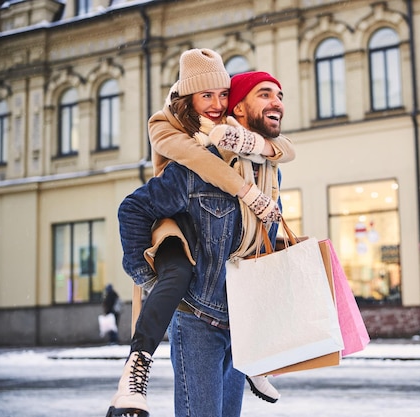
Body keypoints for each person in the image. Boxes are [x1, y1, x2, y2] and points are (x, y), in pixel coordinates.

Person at [107, 50, 293, 417]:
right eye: (206, 95)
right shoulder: (186, 155)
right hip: (199, 322)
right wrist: (147, 277)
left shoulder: (270, 172)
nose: (216, 103)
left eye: (221, 95)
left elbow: (283, 149)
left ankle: (257, 365)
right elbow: (133, 208)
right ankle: (135, 370)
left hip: (241, 326)